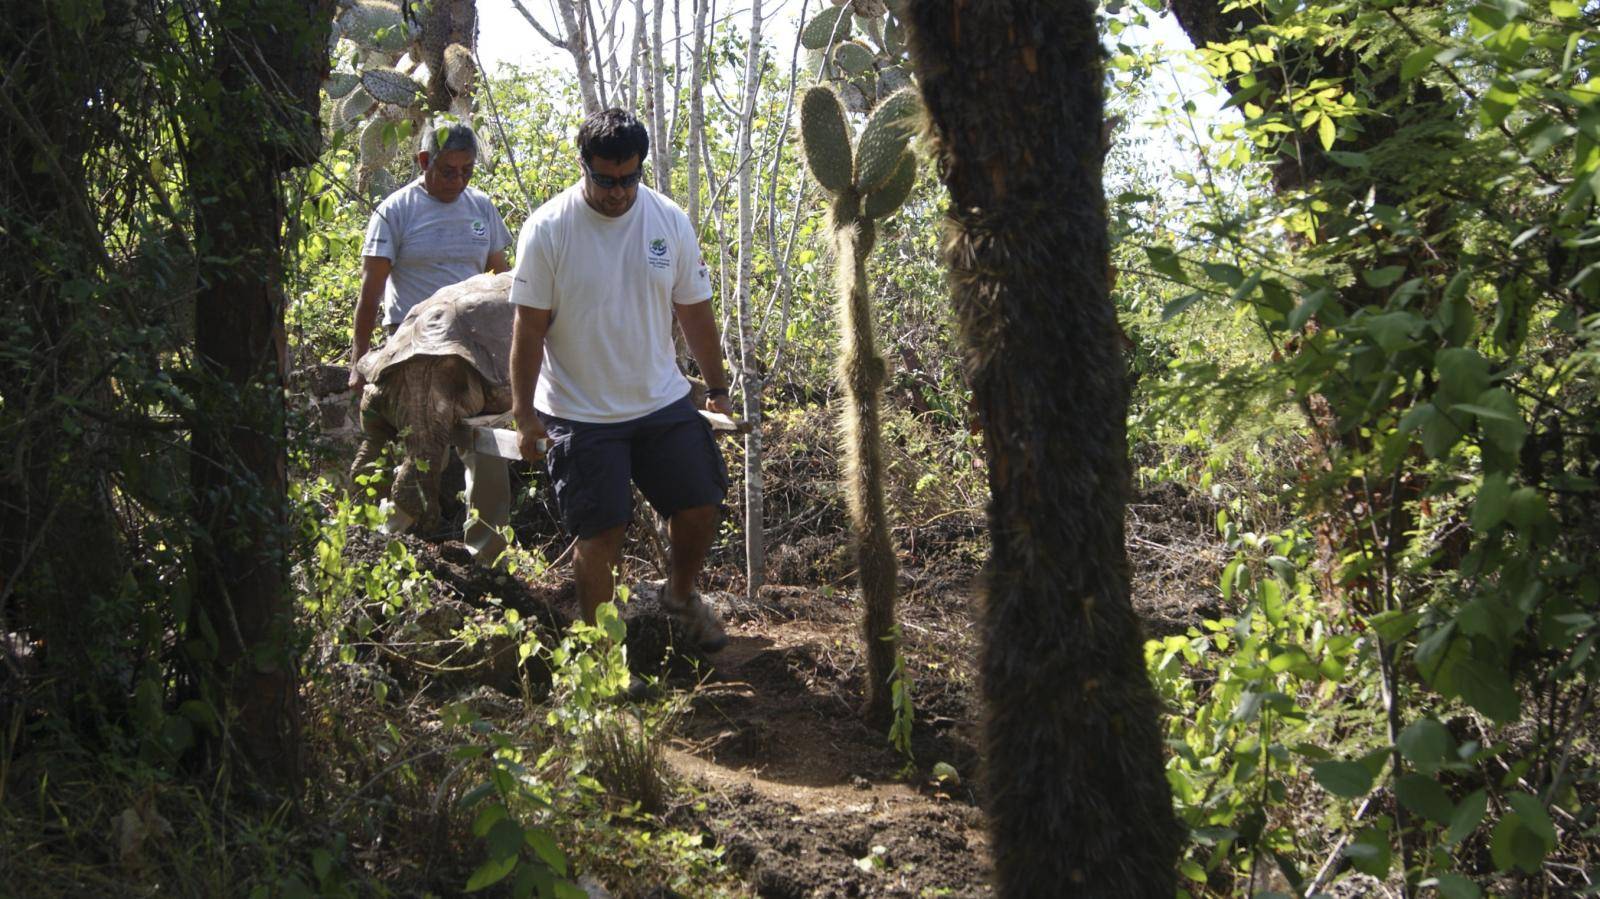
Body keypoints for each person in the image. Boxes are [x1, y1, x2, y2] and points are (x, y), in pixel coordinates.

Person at [508, 108, 733, 651]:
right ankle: (603, 660)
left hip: (659, 401)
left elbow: (695, 312)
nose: (617, 192)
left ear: (640, 169)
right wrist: (523, 412)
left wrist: (718, 387)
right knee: (602, 532)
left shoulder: (667, 220)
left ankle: (679, 598)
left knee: (701, 502)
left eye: (629, 178)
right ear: (584, 166)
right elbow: (529, 328)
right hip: (581, 411)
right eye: (605, 180)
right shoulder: (549, 229)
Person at [349, 121, 515, 562]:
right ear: (424, 162)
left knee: (487, 448)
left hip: (476, 346)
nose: (458, 180)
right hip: (414, 347)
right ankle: (384, 544)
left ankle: (487, 553)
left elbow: (501, 283)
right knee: (422, 450)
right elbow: (371, 292)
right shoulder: (396, 210)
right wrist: (358, 358)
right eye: (448, 171)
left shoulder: (481, 207)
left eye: (466, 171)